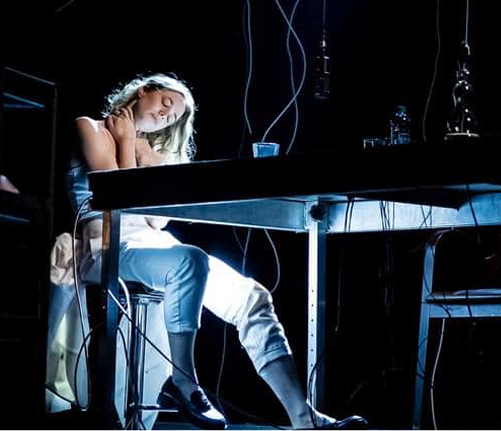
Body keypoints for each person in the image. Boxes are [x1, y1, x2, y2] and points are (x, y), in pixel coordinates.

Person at [67, 72, 368, 431]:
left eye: (174, 116)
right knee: (189, 259)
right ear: (145, 90)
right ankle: (183, 382)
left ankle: (304, 417)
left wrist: (134, 147)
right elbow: (116, 197)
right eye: (166, 103)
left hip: (157, 250)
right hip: (107, 246)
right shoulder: (90, 127)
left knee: (251, 296)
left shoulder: (147, 150)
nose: (167, 115)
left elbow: (156, 221)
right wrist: (128, 142)